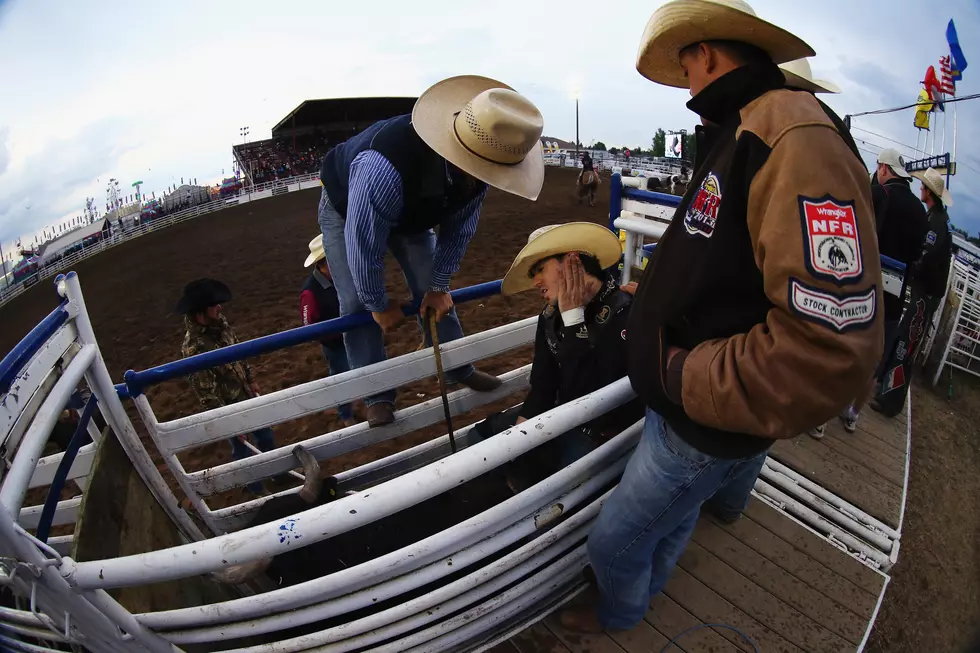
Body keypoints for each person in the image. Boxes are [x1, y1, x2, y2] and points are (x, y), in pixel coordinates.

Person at [560, 0, 883, 633]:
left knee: (614, 543)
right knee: (677, 517)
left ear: (704, 53)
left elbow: (829, 348)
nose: (685, 83)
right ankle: (649, 592)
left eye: (685, 68)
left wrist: (681, 372)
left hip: (699, 422)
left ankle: (621, 618)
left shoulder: (791, 139)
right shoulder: (751, 127)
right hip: (698, 414)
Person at [317, 75, 545, 427]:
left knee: (433, 288)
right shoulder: (384, 166)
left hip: (413, 209)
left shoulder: (481, 168)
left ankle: (457, 366)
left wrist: (438, 286)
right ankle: (376, 394)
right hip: (346, 205)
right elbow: (364, 246)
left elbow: (459, 231)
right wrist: (378, 304)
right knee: (354, 302)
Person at [470, 223, 640, 491]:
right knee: (479, 438)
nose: (535, 282)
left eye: (540, 269)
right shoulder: (550, 316)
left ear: (572, 261)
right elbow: (543, 384)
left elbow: (595, 402)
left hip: (601, 433)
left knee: (555, 490)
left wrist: (574, 320)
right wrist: (520, 435)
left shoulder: (624, 312)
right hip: (561, 417)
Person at [812, 149, 928, 436]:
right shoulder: (920, 212)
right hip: (895, 296)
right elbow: (916, 257)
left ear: (884, 169)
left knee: (841, 346)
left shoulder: (878, 193)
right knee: (871, 357)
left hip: (863, 285)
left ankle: (819, 419)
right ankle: (852, 414)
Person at [178, 278, 275, 494]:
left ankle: (276, 471)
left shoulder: (220, 324)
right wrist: (226, 423)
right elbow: (207, 394)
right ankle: (256, 489)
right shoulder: (194, 348)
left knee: (266, 434)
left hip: (246, 393)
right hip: (228, 406)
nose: (219, 307)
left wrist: (250, 379)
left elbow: (238, 350)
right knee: (242, 449)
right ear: (200, 313)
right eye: (213, 305)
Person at [300, 235, 355, 426]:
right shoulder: (310, 291)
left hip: (350, 335)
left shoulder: (340, 277)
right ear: (325, 262)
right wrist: (329, 336)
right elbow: (308, 323)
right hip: (334, 343)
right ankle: (345, 414)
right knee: (340, 375)